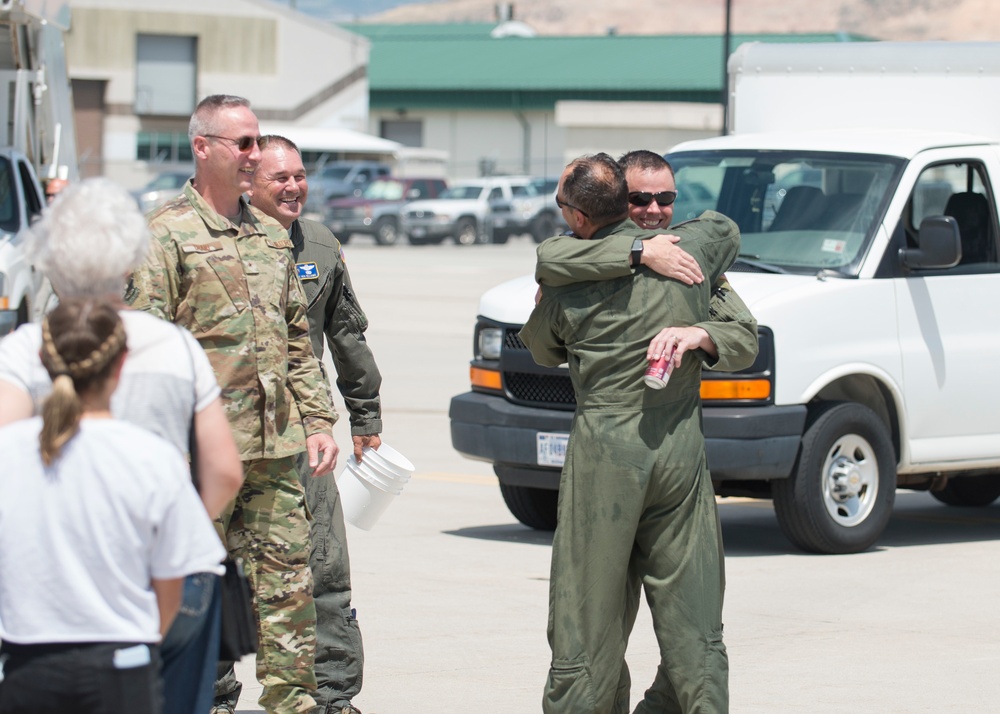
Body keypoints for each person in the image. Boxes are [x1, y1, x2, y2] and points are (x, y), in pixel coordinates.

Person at [125, 94, 340, 714]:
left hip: (275, 453)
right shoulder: (165, 236)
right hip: (197, 459)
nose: (254, 154)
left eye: (256, 142)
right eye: (242, 143)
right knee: (186, 593)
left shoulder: (271, 238)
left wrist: (319, 419)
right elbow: (145, 348)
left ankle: (292, 705)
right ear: (203, 147)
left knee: (288, 594)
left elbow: (297, 339)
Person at [0, 177, 244, 714]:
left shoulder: (23, 350)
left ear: (48, 260)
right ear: (132, 262)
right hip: (167, 582)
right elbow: (225, 470)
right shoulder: (175, 345)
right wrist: (173, 534)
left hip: (56, 588)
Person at [520, 154, 739, 713]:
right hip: (680, 447)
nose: (655, 209)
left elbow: (542, 346)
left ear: (575, 216)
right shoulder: (693, 259)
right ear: (625, 201)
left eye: (665, 200)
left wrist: (700, 334)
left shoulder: (566, 278)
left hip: (606, 452)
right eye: (643, 200)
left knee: (587, 615)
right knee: (694, 611)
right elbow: (724, 230)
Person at [246, 134, 383, 714]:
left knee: (324, 563)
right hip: (224, 436)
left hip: (306, 434)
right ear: (248, 180)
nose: (294, 187)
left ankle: (331, 694)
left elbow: (347, 335)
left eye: (300, 175)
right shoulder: (210, 246)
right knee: (219, 569)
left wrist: (364, 413)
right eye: (280, 177)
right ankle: (212, 694)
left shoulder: (321, 246)